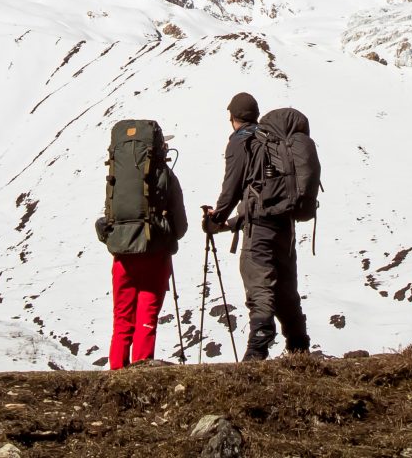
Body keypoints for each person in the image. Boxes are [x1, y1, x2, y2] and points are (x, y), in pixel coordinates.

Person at [204, 91, 309, 360]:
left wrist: (216, 218)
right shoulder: (270, 141)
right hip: (285, 224)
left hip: (259, 226)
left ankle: (257, 351)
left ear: (232, 117)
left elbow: (233, 186)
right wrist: (230, 223)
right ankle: (298, 346)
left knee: (260, 283)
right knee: (286, 286)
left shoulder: (242, 142)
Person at [97, 120, 189, 370]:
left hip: (122, 255)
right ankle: (141, 374)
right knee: (146, 318)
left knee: (122, 321)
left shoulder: (118, 171)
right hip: (154, 255)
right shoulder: (165, 176)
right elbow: (180, 227)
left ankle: (116, 373)